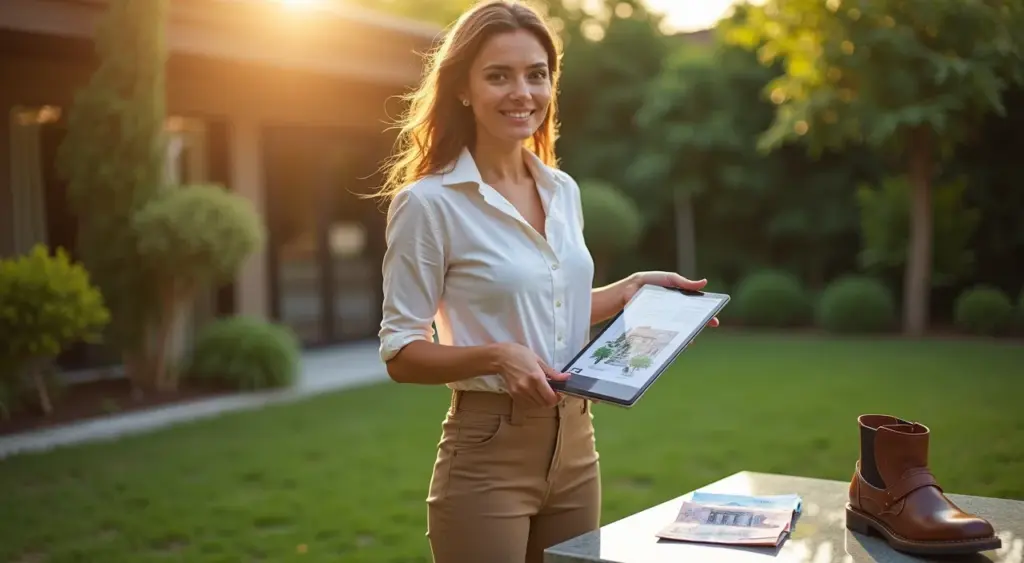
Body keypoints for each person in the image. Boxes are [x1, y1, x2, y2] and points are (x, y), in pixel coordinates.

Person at [375, 2, 718, 561]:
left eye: (537, 74)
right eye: (498, 75)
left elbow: (552, 308)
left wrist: (627, 292)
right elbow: (400, 353)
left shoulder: (563, 190)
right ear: (462, 87)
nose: (522, 92)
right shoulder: (428, 203)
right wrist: (497, 357)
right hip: (487, 452)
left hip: (577, 443)